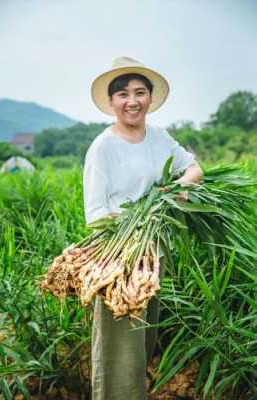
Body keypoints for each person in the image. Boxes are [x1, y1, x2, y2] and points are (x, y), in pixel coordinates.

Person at [83, 57, 203, 400]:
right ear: (111, 102)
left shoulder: (159, 137)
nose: (132, 101)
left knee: (141, 345)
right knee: (118, 352)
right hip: (119, 257)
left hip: (152, 256)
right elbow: (96, 216)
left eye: (139, 92)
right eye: (122, 94)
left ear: (150, 97)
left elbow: (194, 169)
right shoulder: (103, 147)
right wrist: (136, 224)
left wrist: (169, 193)